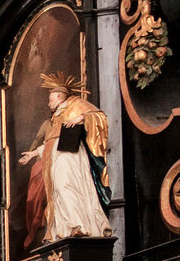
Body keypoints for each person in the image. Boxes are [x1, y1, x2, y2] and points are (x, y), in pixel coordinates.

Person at [17, 73, 111, 246]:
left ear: (59, 96)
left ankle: (78, 224)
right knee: (57, 191)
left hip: (69, 155)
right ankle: (66, 229)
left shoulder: (75, 104)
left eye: (50, 99)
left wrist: (80, 117)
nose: (48, 103)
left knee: (66, 185)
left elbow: (99, 117)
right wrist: (33, 154)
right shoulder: (56, 117)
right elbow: (51, 141)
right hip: (56, 154)